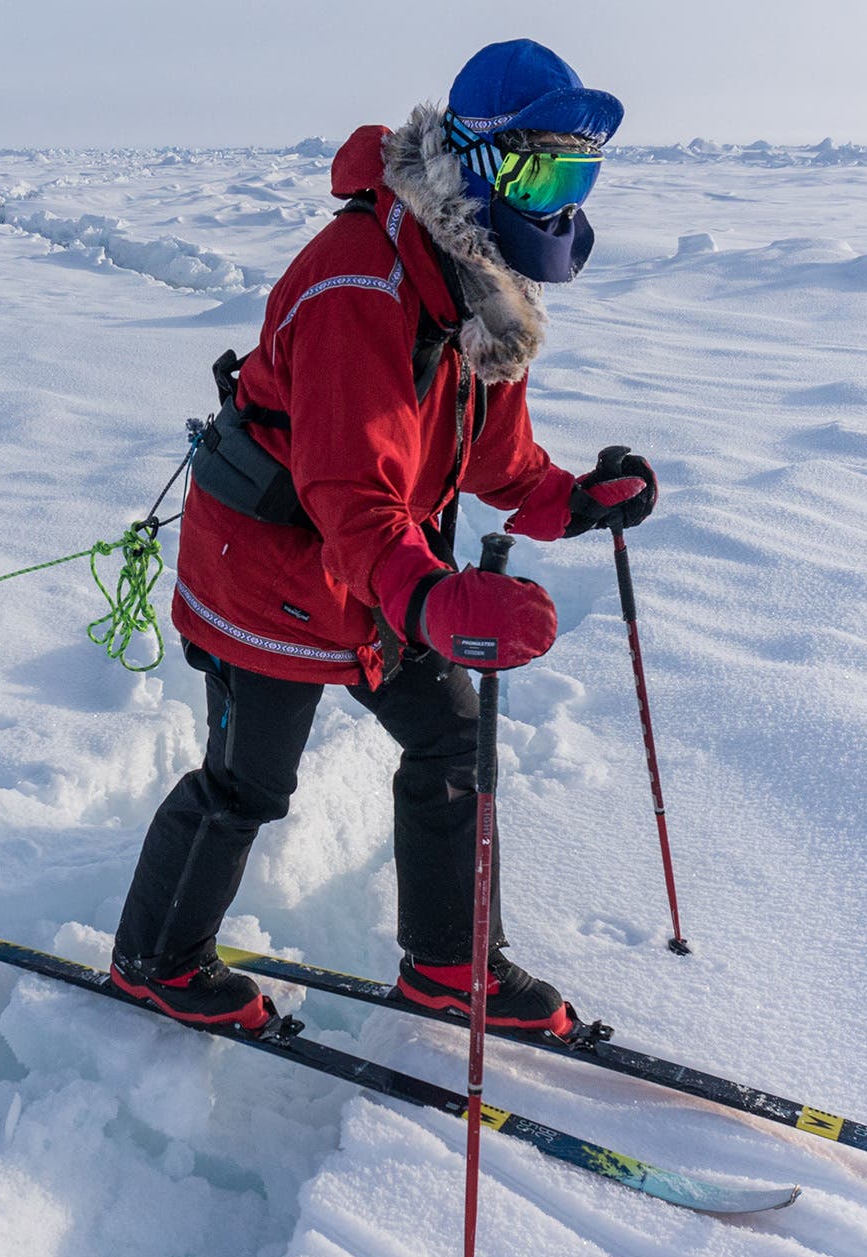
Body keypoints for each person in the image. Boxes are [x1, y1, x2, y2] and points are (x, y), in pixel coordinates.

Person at [108, 40, 655, 1034]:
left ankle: (452, 964)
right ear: (476, 165)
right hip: (269, 568)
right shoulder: (359, 283)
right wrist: (432, 597)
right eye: (542, 175)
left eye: (578, 179)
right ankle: (157, 961)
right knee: (248, 783)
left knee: (451, 738)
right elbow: (346, 490)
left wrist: (575, 502)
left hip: (375, 569)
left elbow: (495, 459)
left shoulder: (480, 286)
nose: (560, 205)